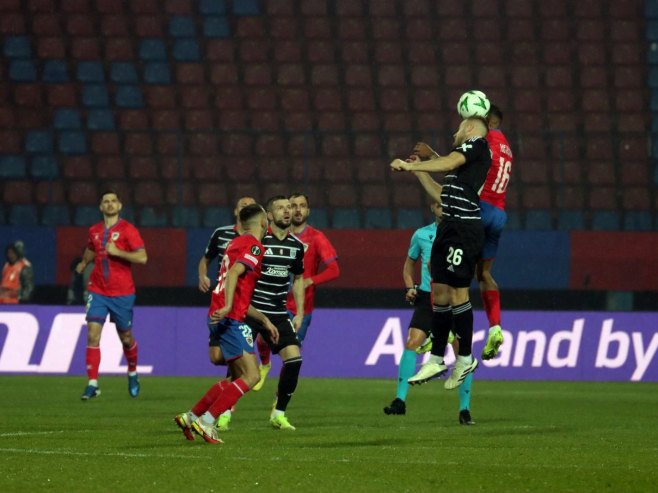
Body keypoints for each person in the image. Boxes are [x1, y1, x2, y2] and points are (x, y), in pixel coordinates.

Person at [390, 116, 491, 390]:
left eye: (459, 127)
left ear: (469, 129)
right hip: (449, 228)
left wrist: (410, 166)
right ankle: (436, 357)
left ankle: (466, 357)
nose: (455, 132)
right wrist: (420, 171)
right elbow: (440, 194)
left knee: (458, 293)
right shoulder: (461, 174)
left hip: (464, 228)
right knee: (441, 291)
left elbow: (448, 161)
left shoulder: (478, 145)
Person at [173, 204, 279, 444]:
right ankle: (208, 421)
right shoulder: (254, 245)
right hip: (230, 317)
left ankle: (190, 418)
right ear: (263, 223)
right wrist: (230, 306)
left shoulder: (234, 244)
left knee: (235, 379)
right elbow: (234, 275)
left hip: (220, 314)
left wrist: (263, 320)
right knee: (251, 377)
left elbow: (238, 287)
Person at [217, 195, 306, 432]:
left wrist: (299, 313)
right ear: (268, 215)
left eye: (289, 207)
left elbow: (298, 279)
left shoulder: (296, 246)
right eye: (280, 208)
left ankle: (278, 414)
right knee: (238, 366)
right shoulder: (256, 242)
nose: (287, 211)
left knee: (294, 360)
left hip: (278, 312)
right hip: (251, 311)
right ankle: (224, 411)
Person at [383, 201, 475, 425]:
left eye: (446, 205)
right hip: (427, 297)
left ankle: (464, 410)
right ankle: (399, 400)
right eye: (438, 205)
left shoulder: (461, 232)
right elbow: (408, 265)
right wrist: (409, 287)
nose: (442, 209)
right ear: (432, 208)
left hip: (453, 299)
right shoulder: (421, 234)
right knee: (412, 342)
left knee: (461, 352)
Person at [76, 190, 148, 400]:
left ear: (119, 206)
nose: (109, 204)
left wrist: (119, 252)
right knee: (92, 334)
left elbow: (142, 257)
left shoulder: (128, 230)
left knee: (125, 338)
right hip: (97, 290)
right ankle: (92, 384)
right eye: (105, 201)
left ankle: (133, 371)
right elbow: (91, 249)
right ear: (100, 207)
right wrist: (83, 262)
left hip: (122, 292)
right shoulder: (94, 230)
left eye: (113, 201)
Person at [478, 105, 514, 360]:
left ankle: (442, 333)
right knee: (484, 274)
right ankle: (495, 327)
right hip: (498, 214)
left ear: (489, 121)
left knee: (448, 267)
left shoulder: (486, 139)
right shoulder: (506, 146)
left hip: (480, 208)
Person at [285, 192, 340, 344]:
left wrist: (309, 281)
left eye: (302, 206)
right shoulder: (275, 234)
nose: (297, 210)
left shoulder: (317, 237)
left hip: (300, 308)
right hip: (275, 303)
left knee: (291, 355)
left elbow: (334, 270)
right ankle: (265, 363)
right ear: (287, 210)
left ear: (308, 211)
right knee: (263, 341)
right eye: (293, 206)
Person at [198, 196, 256, 293]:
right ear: (236, 212)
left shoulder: (263, 237)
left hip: (251, 295)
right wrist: (202, 276)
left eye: (251, 207)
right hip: (222, 294)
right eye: (243, 206)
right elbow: (205, 259)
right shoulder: (221, 233)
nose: (247, 209)